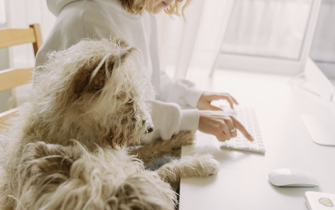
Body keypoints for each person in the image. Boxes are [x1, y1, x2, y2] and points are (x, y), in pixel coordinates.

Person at [35, 0, 254, 144]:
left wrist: (193, 97)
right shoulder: (89, 19)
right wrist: (193, 120)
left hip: (123, 148)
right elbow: (118, 118)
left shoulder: (140, 11)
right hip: (80, 163)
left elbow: (149, 80)